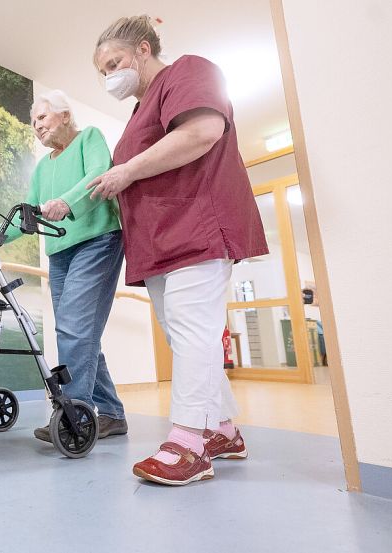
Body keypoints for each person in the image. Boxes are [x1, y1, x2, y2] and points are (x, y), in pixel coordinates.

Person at [88, 16, 269, 485]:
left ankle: (188, 443)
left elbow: (202, 131)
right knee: (186, 339)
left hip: (195, 229)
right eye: (102, 71)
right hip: (160, 241)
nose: (110, 76)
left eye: (115, 63)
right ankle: (224, 431)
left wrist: (126, 172)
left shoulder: (189, 70)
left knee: (193, 335)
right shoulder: (138, 113)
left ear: (143, 49)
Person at [0, 90, 127, 443]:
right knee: (79, 333)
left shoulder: (89, 138)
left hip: (98, 242)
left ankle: (72, 414)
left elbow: (99, 175)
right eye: (32, 123)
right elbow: (26, 213)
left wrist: (65, 202)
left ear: (63, 115)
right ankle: (111, 414)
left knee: (74, 330)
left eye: (41, 118)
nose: (36, 127)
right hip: (60, 254)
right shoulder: (43, 166)